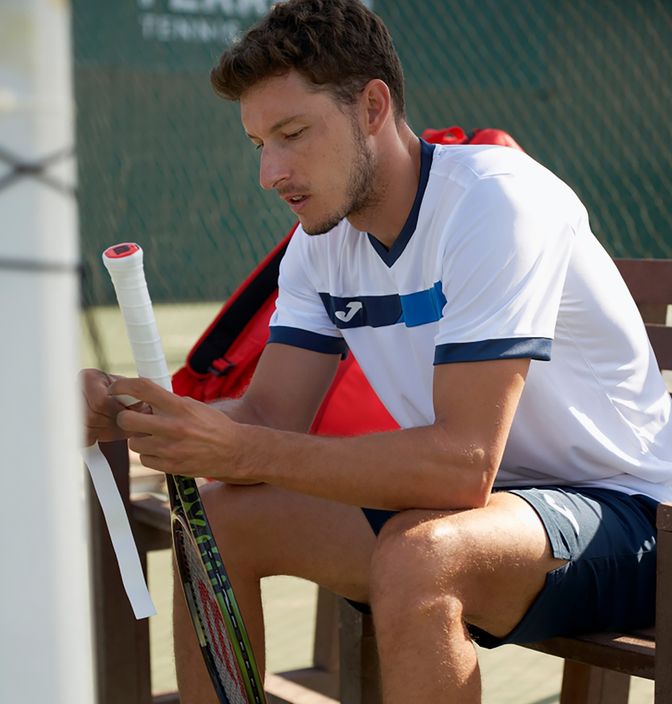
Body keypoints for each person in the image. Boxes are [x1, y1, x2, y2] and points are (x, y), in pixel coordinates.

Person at [81, 1, 672, 701]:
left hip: (635, 519)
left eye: (293, 134)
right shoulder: (317, 248)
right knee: (217, 519)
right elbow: (272, 415)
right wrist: (131, 410)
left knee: (423, 557)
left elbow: (461, 467)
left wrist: (240, 451)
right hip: (490, 511)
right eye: (258, 144)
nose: (270, 172)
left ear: (371, 106)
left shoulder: (496, 204)